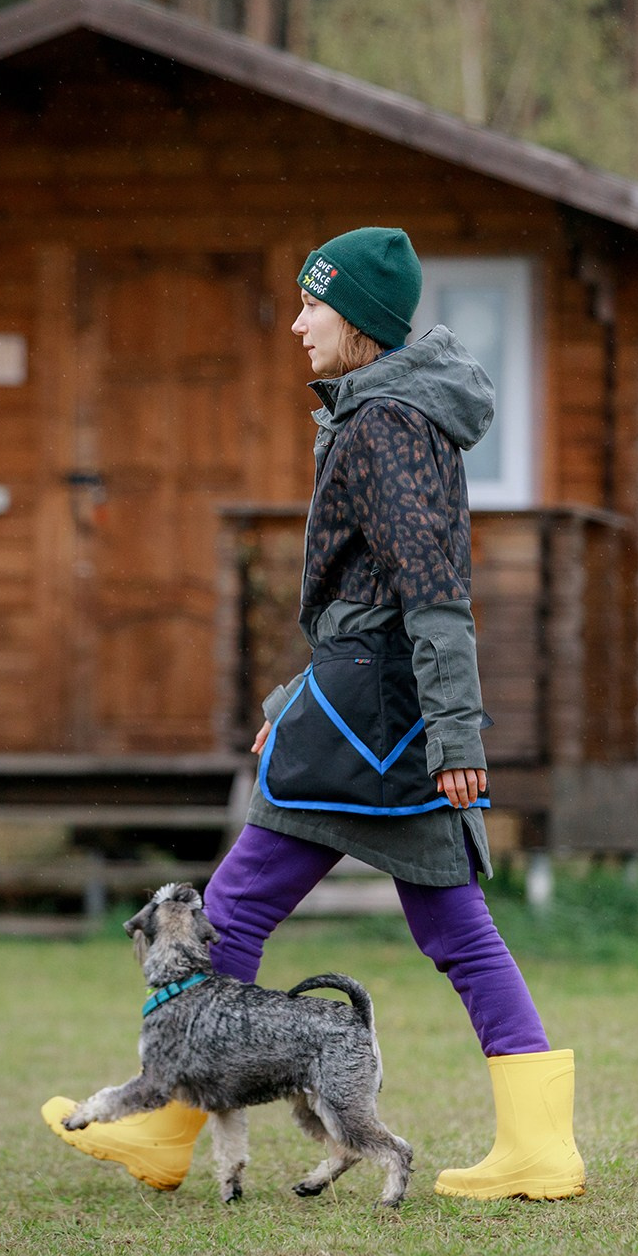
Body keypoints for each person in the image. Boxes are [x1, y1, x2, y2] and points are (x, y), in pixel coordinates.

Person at [40, 227, 585, 1202]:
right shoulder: (386, 414)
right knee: (454, 928)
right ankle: (537, 1145)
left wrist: (455, 735)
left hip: (376, 722)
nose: (296, 322)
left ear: (364, 326)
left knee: (239, 905)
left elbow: (432, 593)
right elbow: (370, 598)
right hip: (366, 709)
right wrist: (298, 696)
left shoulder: (384, 426)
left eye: (312, 305)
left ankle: (166, 1126)